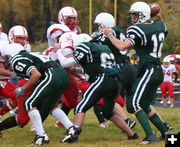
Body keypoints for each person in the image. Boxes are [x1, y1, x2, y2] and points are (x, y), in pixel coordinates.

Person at [101, 1, 168, 144]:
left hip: (149, 69)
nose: (133, 18)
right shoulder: (160, 25)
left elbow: (122, 47)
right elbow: (159, 27)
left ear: (143, 15)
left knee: (134, 104)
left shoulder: (136, 29)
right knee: (143, 104)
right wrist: (156, 14)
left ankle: (151, 136)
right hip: (155, 69)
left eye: (136, 15)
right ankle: (166, 133)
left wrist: (109, 35)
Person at [54, 33, 139, 143]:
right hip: (116, 81)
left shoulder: (83, 46)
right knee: (108, 113)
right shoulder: (103, 47)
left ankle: (73, 136)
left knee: (80, 107)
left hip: (102, 79)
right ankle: (132, 135)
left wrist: (58, 51)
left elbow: (65, 63)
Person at [1, 43, 75, 145]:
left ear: (10, 54)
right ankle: (71, 128)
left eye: (7, 57)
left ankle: (41, 136)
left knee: (28, 103)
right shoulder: (31, 54)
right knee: (49, 106)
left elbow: (36, 74)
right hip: (63, 75)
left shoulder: (17, 59)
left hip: (51, 75)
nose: (7, 60)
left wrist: (22, 88)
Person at [92, 12, 137, 129]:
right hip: (129, 66)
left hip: (117, 68)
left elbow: (93, 46)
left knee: (108, 94)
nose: (98, 28)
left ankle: (126, 120)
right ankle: (162, 124)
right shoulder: (119, 31)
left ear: (104, 25)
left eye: (99, 25)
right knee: (136, 100)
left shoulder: (105, 35)